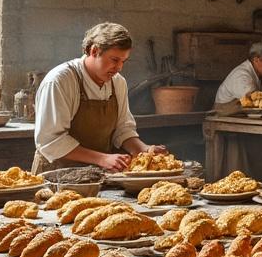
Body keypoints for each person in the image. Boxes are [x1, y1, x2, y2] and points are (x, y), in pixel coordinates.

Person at [32, 22, 167, 174]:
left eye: (123, 61)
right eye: (115, 60)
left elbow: (123, 129)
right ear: (94, 50)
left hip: (96, 173)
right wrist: (103, 159)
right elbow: (51, 141)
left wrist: (144, 150)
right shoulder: (60, 81)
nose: (119, 68)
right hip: (56, 174)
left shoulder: (118, 83)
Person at [211, 41, 262, 115]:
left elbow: (257, 87)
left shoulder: (253, 71)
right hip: (224, 115)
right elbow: (255, 101)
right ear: (256, 60)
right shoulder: (242, 75)